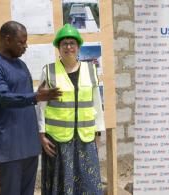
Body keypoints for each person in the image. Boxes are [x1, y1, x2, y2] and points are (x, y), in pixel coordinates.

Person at [0, 21, 62, 195]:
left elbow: (25, 96)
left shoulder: (21, 65)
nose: (25, 46)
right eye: (21, 42)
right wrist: (36, 96)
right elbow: (4, 97)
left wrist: (38, 95)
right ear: (7, 40)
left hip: (29, 144)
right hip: (9, 146)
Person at [37, 24, 105, 195]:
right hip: (58, 140)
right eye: (64, 43)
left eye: (72, 43)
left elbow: (97, 104)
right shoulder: (49, 71)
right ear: (58, 48)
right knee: (61, 185)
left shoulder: (90, 70)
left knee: (88, 184)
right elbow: (40, 106)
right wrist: (42, 135)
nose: (68, 47)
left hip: (85, 138)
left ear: (78, 47)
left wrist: (98, 133)